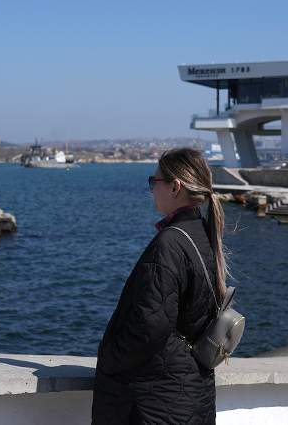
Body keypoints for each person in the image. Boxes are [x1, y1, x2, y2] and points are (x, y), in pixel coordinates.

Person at [92, 148, 228, 425]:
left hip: (156, 401)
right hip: (191, 392)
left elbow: (150, 326)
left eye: (154, 182)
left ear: (175, 187)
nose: (152, 189)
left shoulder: (170, 242)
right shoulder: (203, 234)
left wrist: (108, 358)